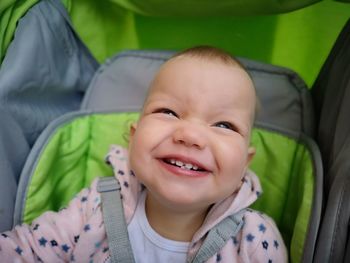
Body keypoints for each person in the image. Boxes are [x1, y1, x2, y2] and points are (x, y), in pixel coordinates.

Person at [0, 46, 287, 262]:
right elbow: (24, 251)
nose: (190, 136)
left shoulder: (254, 242)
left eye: (224, 125)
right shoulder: (97, 207)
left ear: (245, 165)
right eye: (168, 112)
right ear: (134, 137)